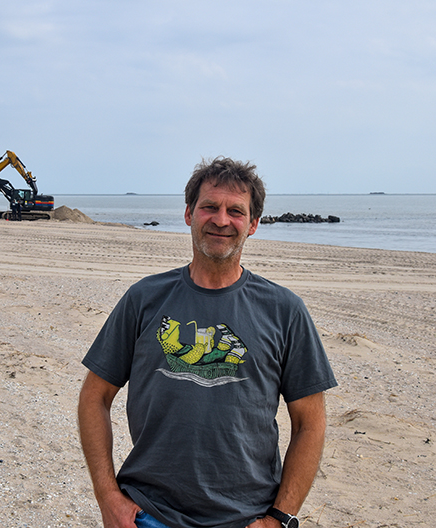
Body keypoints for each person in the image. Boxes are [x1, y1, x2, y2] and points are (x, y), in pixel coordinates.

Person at [78, 157, 338, 528]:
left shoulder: (285, 311)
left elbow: (311, 423)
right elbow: (94, 396)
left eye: (236, 211)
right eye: (209, 207)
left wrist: (280, 517)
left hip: (247, 518)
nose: (221, 220)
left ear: (253, 224)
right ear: (188, 214)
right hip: (149, 514)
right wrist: (107, 498)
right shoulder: (144, 299)